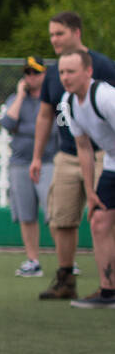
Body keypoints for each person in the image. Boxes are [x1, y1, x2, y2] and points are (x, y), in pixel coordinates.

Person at [30, 12, 115, 300]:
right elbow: (77, 143)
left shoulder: (103, 82)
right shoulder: (64, 94)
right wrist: (37, 156)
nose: (54, 40)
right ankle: (90, 286)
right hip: (80, 157)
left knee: (106, 221)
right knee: (81, 219)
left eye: (59, 33)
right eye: (51, 34)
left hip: (108, 154)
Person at [57, 49, 115, 308]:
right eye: (61, 72)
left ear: (88, 72)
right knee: (99, 222)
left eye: (71, 71)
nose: (65, 77)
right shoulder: (68, 102)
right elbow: (83, 147)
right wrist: (90, 191)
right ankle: (108, 292)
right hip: (113, 163)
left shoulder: (106, 97)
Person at [1, 56, 57, 277]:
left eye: (36, 73)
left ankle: (66, 260)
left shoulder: (53, 99)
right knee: (26, 214)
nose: (31, 77)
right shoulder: (17, 98)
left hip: (49, 161)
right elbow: (7, 123)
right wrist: (21, 95)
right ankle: (33, 261)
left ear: (44, 74)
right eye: (28, 73)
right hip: (20, 163)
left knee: (55, 213)